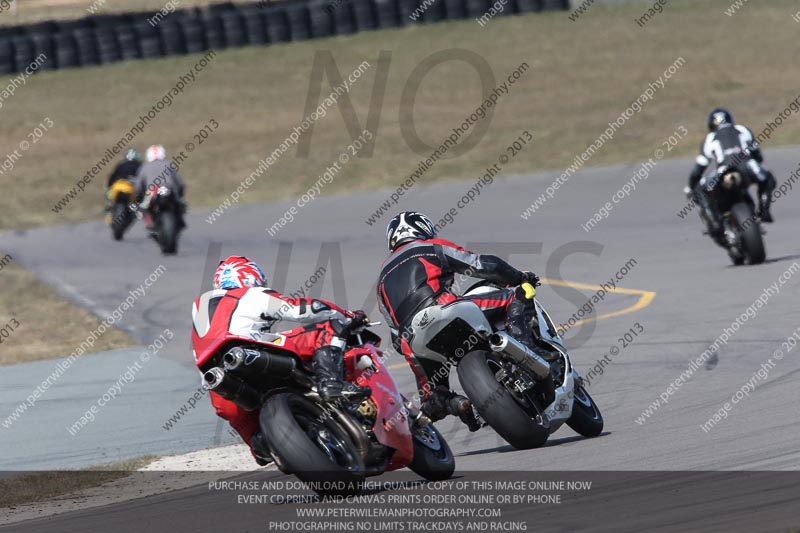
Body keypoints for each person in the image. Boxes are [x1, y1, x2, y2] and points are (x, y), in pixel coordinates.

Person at [191, 256, 370, 465]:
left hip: (219, 385)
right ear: (252, 277)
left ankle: (262, 445)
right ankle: (331, 383)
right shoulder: (252, 293)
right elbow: (301, 310)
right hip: (253, 353)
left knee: (252, 437)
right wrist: (347, 316)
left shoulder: (199, 307)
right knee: (330, 328)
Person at [376, 211, 543, 432]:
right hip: (444, 309)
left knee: (433, 399)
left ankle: (458, 404)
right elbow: (484, 264)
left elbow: (395, 336)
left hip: (413, 340)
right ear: (424, 230)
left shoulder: (381, 280)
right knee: (517, 295)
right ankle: (529, 355)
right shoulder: (430, 247)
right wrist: (519, 277)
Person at [687, 109, 777, 238]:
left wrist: (691, 186)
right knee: (768, 178)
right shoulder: (743, 130)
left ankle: (714, 223)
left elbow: (699, 169)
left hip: (722, 172)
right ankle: (764, 210)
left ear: (711, 125)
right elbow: (758, 156)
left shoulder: (710, 138)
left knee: (700, 191)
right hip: (748, 167)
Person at [135, 144, 187, 231]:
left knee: (143, 207)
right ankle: (180, 220)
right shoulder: (169, 164)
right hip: (168, 189)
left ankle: (149, 223)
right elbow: (179, 182)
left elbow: (138, 185)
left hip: (152, 191)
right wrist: (180, 193)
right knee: (180, 203)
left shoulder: (145, 167)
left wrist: (138, 194)